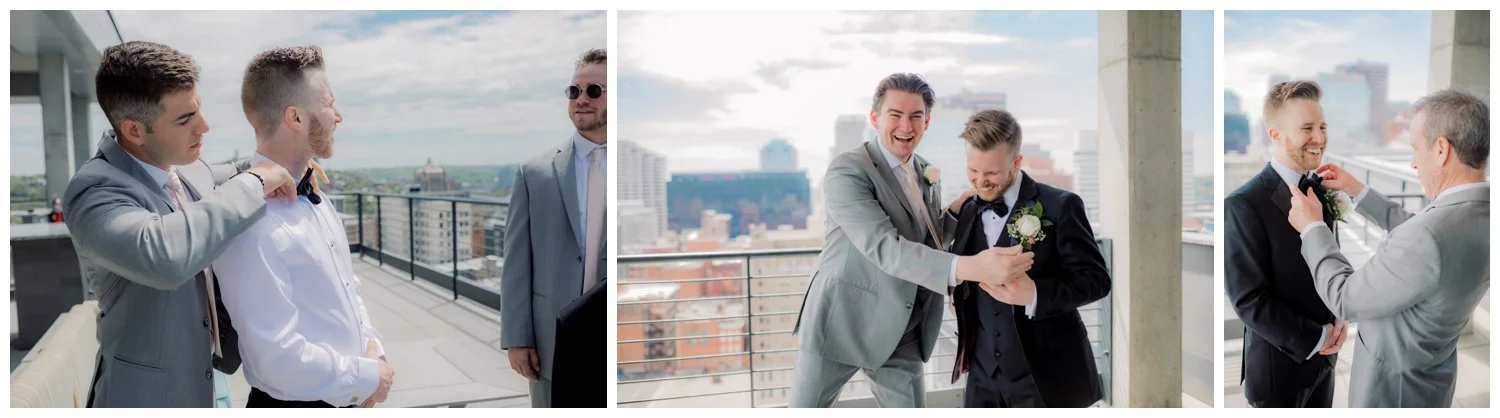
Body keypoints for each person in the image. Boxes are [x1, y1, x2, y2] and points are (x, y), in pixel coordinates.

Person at [62, 40, 301, 408]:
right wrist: (254, 183)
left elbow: (236, 172)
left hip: (204, 389)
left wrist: (292, 163)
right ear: (134, 130)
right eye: (185, 119)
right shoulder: (95, 192)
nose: (204, 127)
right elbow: (165, 255)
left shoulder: (184, 166)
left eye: (199, 110)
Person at [788, 73, 1032, 408]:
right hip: (840, 322)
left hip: (901, 324)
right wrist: (970, 267)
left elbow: (925, 238)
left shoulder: (926, 171)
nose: (906, 125)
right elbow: (885, 247)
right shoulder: (848, 171)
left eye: (916, 116)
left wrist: (956, 212)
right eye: (896, 115)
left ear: (927, 122)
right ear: (875, 118)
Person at [212, 45, 393, 408]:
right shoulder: (249, 219)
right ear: (295, 117)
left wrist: (374, 351)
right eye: (328, 104)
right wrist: (367, 377)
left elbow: (349, 291)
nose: (338, 115)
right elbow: (275, 356)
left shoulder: (318, 199)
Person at [1285, 88, 1489, 408]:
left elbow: (1345, 298)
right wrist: (1357, 190)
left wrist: (1312, 227)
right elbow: (1415, 227)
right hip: (1431, 377)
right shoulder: (1481, 213)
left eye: (1415, 148)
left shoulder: (1430, 236)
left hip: (1393, 392)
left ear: (1441, 150)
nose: (1412, 163)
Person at [947, 109, 1110, 407]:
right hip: (982, 378)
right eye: (973, 171)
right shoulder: (968, 208)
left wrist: (1034, 293)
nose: (980, 182)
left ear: (1017, 161)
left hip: (1047, 376)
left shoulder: (1060, 206)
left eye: (991, 173)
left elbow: (1096, 281)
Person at [1224, 80, 1347, 408]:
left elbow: (1329, 258)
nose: (1319, 138)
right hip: (1279, 372)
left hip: (1326, 364)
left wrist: (1339, 317)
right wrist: (1318, 337)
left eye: (1322, 126)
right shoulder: (1243, 204)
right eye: (1307, 128)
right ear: (1275, 134)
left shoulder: (1320, 189)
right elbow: (1248, 298)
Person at [501, 48, 608, 408]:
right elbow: (516, 262)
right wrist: (517, 338)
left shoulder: (639, 171)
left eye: (594, 90)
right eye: (574, 91)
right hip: (554, 339)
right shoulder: (534, 172)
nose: (581, 99)